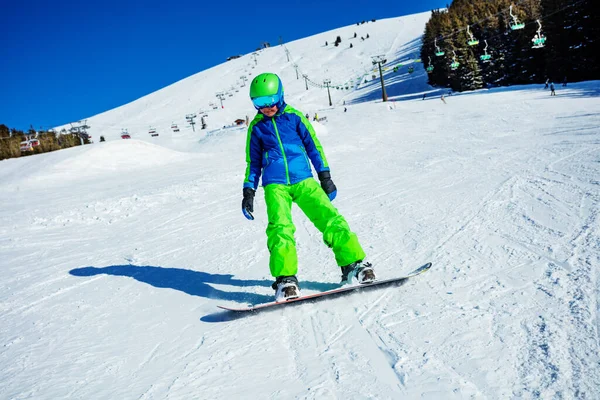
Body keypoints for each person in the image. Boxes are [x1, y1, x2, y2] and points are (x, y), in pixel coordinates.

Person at [241, 72, 375, 302]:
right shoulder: (256, 128)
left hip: (304, 179)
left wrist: (325, 176)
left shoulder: (294, 118)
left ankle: (352, 263)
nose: (266, 107)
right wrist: (248, 190)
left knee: (330, 218)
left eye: (270, 100)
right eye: (259, 103)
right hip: (275, 185)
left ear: (280, 95)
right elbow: (253, 163)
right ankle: (286, 279)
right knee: (280, 228)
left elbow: (314, 147)